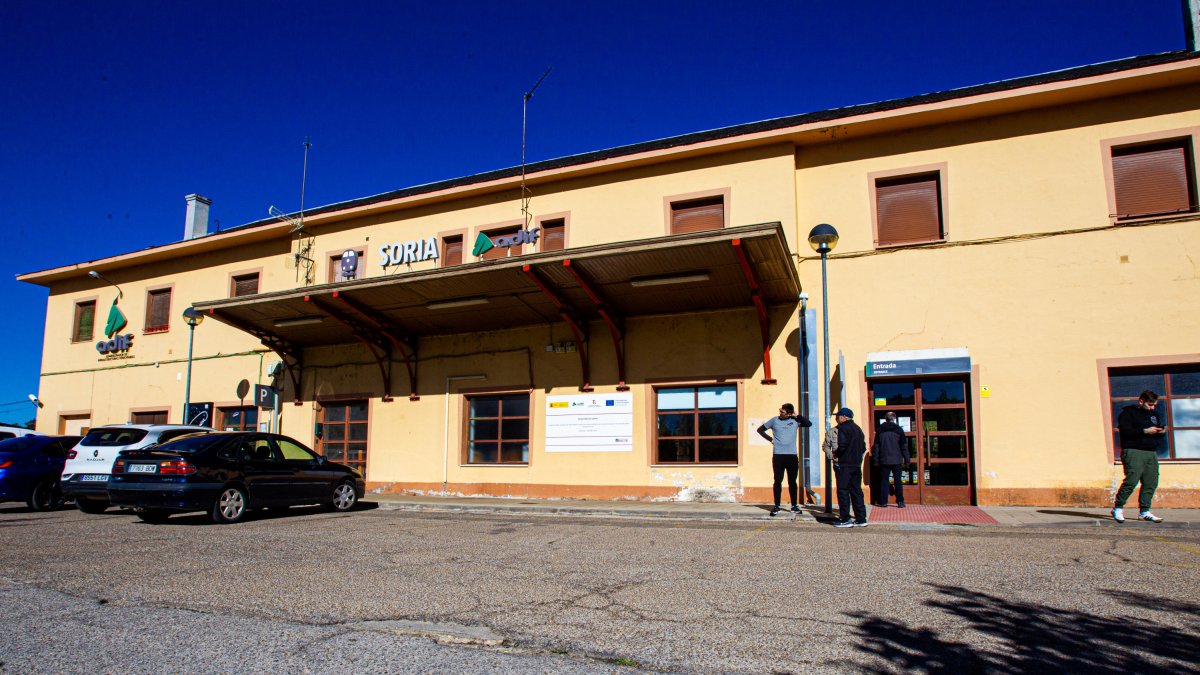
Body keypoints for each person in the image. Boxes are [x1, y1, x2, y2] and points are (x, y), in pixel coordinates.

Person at [1112, 390, 1168, 523]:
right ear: (1141, 401)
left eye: (1154, 405)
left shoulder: (1153, 414)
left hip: (1150, 452)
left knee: (1151, 482)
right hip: (1133, 450)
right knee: (1132, 480)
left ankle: (1144, 511)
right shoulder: (1128, 413)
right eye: (1150, 404)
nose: (1152, 407)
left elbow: (1156, 432)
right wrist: (1143, 431)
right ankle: (1118, 508)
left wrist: (1161, 431)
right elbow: (1125, 431)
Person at [757, 403, 812, 517]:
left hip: (791, 456)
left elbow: (808, 424)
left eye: (782, 411)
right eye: (780, 410)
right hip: (778, 455)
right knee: (778, 481)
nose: (780, 413)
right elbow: (760, 430)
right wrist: (770, 439)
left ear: (789, 413)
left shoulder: (795, 420)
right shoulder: (774, 420)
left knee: (792, 482)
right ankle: (777, 506)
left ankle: (794, 506)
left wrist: (797, 416)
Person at [831, 408, 868, 528]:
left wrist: (837, 453)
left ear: (843, 417)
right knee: (856, 491)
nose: (837, 419)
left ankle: (845, 519)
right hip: (856, 464)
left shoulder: (843, 428)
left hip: (845, 464)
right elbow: (863, 447)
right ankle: (861, 518)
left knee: (843, 491)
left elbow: (843, 445)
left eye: (838, 417)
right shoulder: (858, 429)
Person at [872, 412, 909, 508]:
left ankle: (883, 502)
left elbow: (876, 447)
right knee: (898, 481)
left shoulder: (880, 430)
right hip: (896, 460)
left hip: (884, 460)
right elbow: (904, 446)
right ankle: (900, 501)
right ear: (894, 419)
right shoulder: (899, 430)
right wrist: (907, 459)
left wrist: (875, 460)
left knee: (884, 481)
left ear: (886, 419)